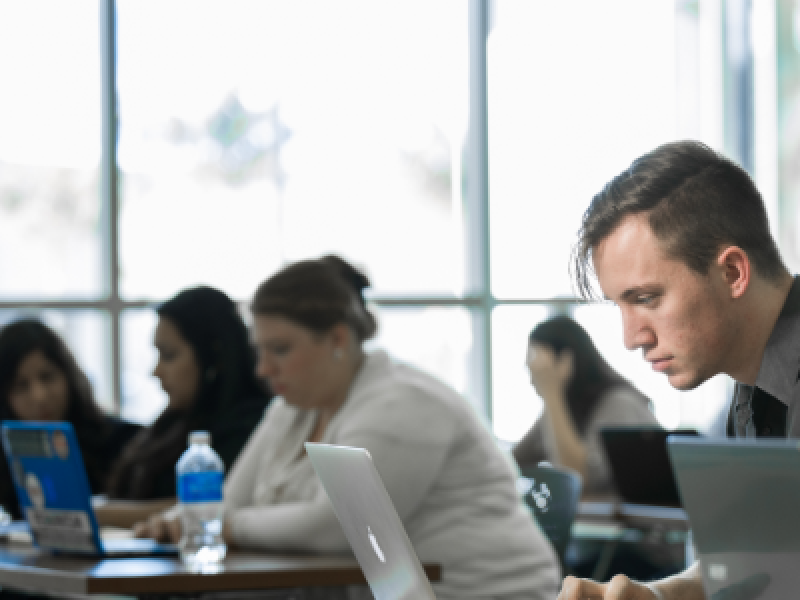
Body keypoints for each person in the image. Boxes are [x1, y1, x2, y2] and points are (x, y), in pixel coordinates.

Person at [137, 256, 560, 600]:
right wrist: (179, 520)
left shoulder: (401, 404)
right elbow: (228, 500)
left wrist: (216, 524)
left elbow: (338, 527)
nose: (264, 369)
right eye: (259, 351)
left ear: (338, 339)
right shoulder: (293, 406)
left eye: (281, 350)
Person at [559, 140, 796, 600]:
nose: (632, 338)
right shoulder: (755, 389)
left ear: (732, 273)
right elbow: (767, 562)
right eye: (620, 305)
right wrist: (657, 597)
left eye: (646, 298)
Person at [97, 286, 272, 527]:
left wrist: (101, 514)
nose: (156, 371)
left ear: (212, 358)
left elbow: (216, 503)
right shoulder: (172, 421)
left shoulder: (248, 426)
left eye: (168, 355)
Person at [0, 319, 141, 518]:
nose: (39, 396)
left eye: (47, 376)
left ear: (68, 376)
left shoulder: (126, 441)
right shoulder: (6, 457)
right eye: (21, 386)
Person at [513, 315, 657, 497]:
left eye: (541, 370)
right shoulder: (560, 410)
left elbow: (578, 478)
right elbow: (511, 463)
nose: (534, 380)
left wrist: (552, 393)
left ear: (566, 362)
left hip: (634, 522)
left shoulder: (619, 403)